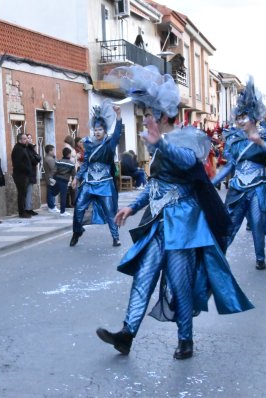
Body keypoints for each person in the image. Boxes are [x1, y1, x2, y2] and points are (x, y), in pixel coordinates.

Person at [95, 64, 253, 359]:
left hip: (185, 223)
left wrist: (161, 144)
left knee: (180, 284)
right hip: (158, 222)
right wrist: (132, 206)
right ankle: (127, 334)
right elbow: (156, 185)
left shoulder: (190, 139)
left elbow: (188, 163)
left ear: (165, 117)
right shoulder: (159, 145)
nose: (145, 121)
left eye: (150, 116)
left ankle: (185, 340)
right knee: (144, 277)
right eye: (144, 116)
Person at [212, 77, 266, 270]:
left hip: (258, 188)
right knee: (229, 224)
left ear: (253, 117)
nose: (239, 121)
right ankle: (220, 258)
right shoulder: (234, 140)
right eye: (238, 118)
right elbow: (230, 166)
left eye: (243, 117)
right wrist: (211, 181)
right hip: (237, 188)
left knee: (257, 223)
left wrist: (260, 143)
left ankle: (260, 258)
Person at [70, 101, 121, 247]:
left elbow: (117, 133)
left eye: (99, 130)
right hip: (89, 182)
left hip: (105, 182)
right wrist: (77, 177)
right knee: (79, 207)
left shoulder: (110, 143)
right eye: (95, 130)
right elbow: (86, 163)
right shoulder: (88, 144)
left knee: (109, 211)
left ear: (104, 131)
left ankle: (116, 237)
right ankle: (77, 231)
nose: (97, 132)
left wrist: (118, 115)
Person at [11, 133, 34, 219]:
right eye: (24, 139)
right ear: (20, 140)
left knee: (23, 193)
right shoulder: (18, 149)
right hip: (20, 175)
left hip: (24, 174)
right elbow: (19, 164)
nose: (26, 140)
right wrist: (27, 170)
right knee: (21, 194)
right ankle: (22, 212)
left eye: (26, 138)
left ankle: (23, 211)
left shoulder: (23, 148)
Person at [53, 147, 76, 216]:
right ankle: (62, 211)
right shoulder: (71, 164)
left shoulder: (58, 161)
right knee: (63, 196)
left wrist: (54, 178)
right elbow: (74, 174)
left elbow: (54, 170)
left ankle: (52, 206)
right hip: (64, 181)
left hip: (57, 179)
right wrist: (73, 181)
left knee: (53, 192)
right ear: (69, 154)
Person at [24, 133, 41, 216]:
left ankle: (29, 208)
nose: (30, 139)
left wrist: (36, 157)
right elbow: (33, 160)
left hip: (32, 172)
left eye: (31, 138)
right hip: (28, 173)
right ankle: (27, 209)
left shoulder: (31, 148)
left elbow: (38, 157)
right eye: (28, 138)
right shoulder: (26, 149)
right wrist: (36, 158)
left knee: (30, 192)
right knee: (28, 192)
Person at [43, 144, 59, 213]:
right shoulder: (49, 159)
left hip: (50, 176)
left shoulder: (50, 158)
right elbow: (54, 168)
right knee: (51, 192)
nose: (54, 152)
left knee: (51, 191)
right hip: (51, 177)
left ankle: (52, 205)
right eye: (53, 150)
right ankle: (51, 206)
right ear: (49, 151)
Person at [63, 135, 77, 207]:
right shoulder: (68, 147)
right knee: (70, 186)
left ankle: (71, 202)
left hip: (71, 167)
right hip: (70, 168)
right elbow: (70, 157)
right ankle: (70, 203)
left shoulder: (68, 147)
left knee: (71, 186)